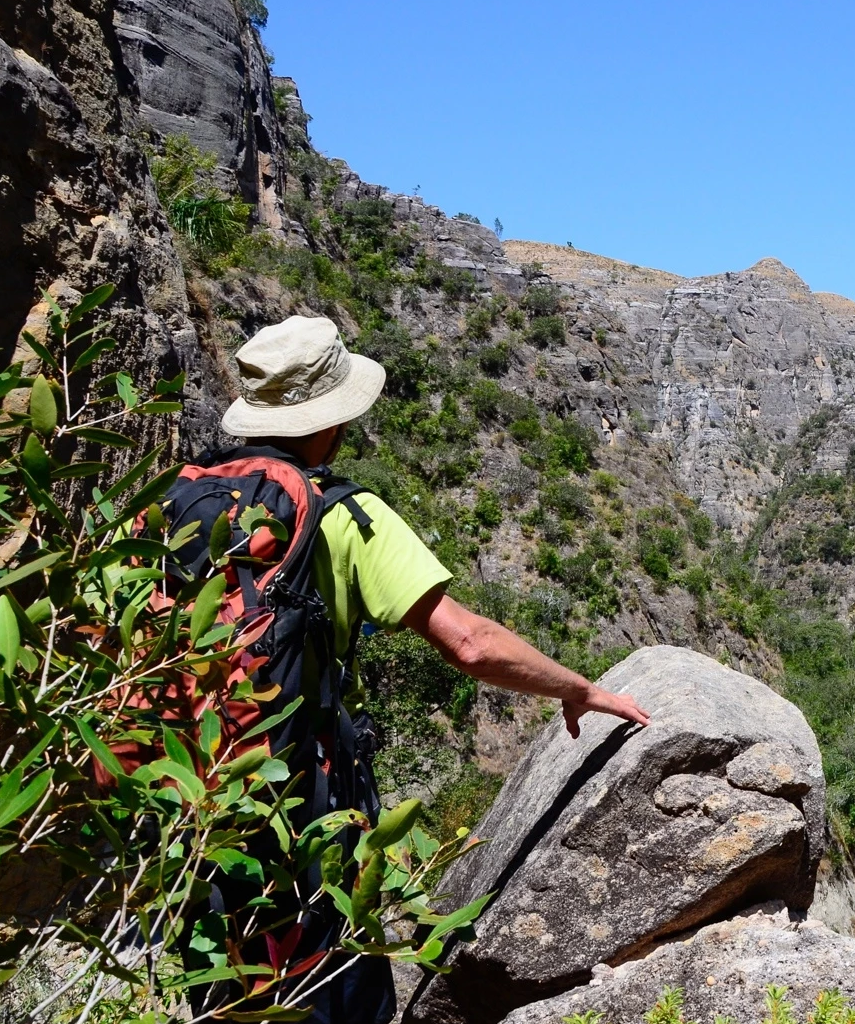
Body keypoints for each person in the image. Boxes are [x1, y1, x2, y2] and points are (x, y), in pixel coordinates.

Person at [219, 314, 651, 736]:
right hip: (288, 769)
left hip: (183, 762)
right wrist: (581, 689)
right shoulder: (343, 513)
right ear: (334, 420)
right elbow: (470, 644)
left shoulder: (189, 493)